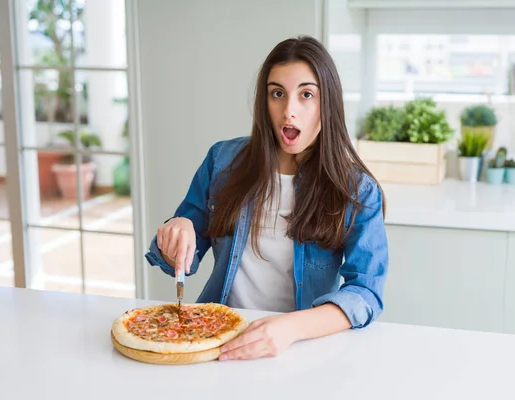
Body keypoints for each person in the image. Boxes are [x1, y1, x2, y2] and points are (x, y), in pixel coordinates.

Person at [145, 35, 389, 361]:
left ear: (327, 103)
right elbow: (176, 258)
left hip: (302, 349)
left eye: (306, 95)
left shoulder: (357, 190)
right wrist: (176, 231)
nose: (289, 111)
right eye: (277, 94)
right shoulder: (222, 160)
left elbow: (367, 293)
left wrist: (288, 328)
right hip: (220, 340)